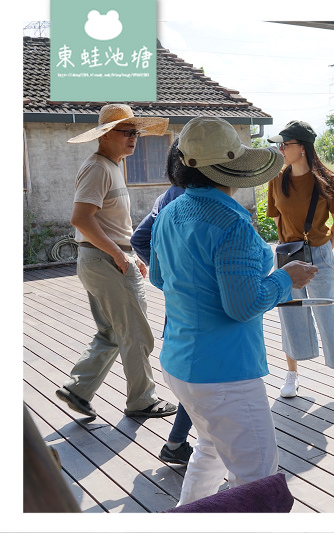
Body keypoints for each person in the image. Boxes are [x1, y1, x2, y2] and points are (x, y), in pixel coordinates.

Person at [149, 116, 317, 505]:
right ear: (233, 168)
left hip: (179, 361)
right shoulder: (233, 223)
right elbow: (243, 306)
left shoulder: (171, 211)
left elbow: (159, 277)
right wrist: (285, 278)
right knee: (258, 479)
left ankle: (186, 515)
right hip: (225, 373)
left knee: (209, 449)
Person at [56, 103, 178, 420]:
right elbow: (81, 219)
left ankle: (78, 389)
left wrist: (129, 254)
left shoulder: (111, 166)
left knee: (111, 331)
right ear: (107, 134)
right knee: (137, 332)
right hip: (106, 261)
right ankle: (143, 400)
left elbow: (110, 223)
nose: (133, 138)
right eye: (127, 132)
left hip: (104, 259)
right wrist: (118, 254)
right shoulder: (98, 167)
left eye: (136, 132)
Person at [266, 120, 334, 412]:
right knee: (290, 315)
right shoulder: (276, 179)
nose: (281, 149)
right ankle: (292, 374)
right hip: (286, 255)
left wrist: (322, 254)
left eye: (286, 144)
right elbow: (278, 218)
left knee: (328, 316)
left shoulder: (327, 180)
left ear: (302, 148)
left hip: (319, 254)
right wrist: (290, 250)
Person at [131, 147, 193, 465]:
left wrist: (166, 277)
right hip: (199, 306)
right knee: (201, 375)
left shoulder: (168, 196)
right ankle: (177, 442)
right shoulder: (192, 199)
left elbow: (139, 239)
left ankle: (176, 441)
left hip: (178, 303)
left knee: (190, 372)